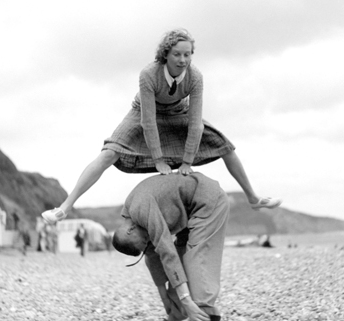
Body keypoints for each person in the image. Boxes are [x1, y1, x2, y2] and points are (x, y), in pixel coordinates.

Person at [42, 28, 281, 225]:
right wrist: (158, 159)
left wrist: (187, 161)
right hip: (143, 112)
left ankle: (252, 197)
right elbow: (148, 121)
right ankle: (64, 208)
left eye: (188, 55)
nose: (183, 60)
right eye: (177, 54)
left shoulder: (195, 77)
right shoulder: (149, 74)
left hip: (178, 110)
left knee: (224, 145)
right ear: (166, 54)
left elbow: (195, 124)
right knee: (109, 153)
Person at [112, 172, 229, 321]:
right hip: (187, 214)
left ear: (129, 231)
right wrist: (163, 294)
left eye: (143, 242)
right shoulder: (133, 217)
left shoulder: (140, 209)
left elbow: (167, 252)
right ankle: (175, 319)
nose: (146, 242)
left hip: (208, 202)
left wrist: (187, 301)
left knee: (195, 258)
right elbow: (152, 255)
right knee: (179, 265)